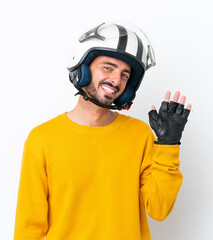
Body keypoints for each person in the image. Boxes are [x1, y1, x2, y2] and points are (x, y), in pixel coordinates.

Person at [14, 22, 191, 240]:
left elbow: (159, 209)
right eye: (108, 67)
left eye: (125, 75)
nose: (116, 80)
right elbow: (28, 229)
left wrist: (168, 146)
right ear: (83, 68)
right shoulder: (41, 140)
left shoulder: (139, 135)